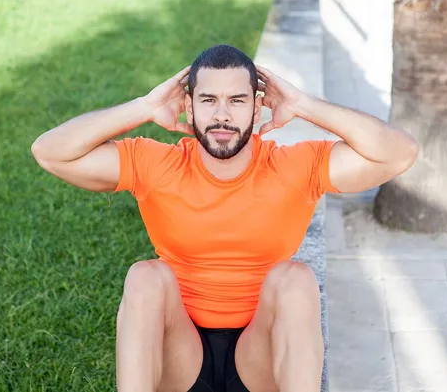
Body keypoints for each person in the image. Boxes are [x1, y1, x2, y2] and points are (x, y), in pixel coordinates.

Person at [31, 44, 418, 392]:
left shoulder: (294, 166)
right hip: (181, 355)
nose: (221, 115)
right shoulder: (157, 164)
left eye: (236, 100)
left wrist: (303, 104)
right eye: (209, 100)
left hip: (261, 355)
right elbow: (50, 152)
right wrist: (143, 108)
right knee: (145, 277)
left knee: (295, 280)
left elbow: (398, 154)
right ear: (189, 105)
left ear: (257, 105)